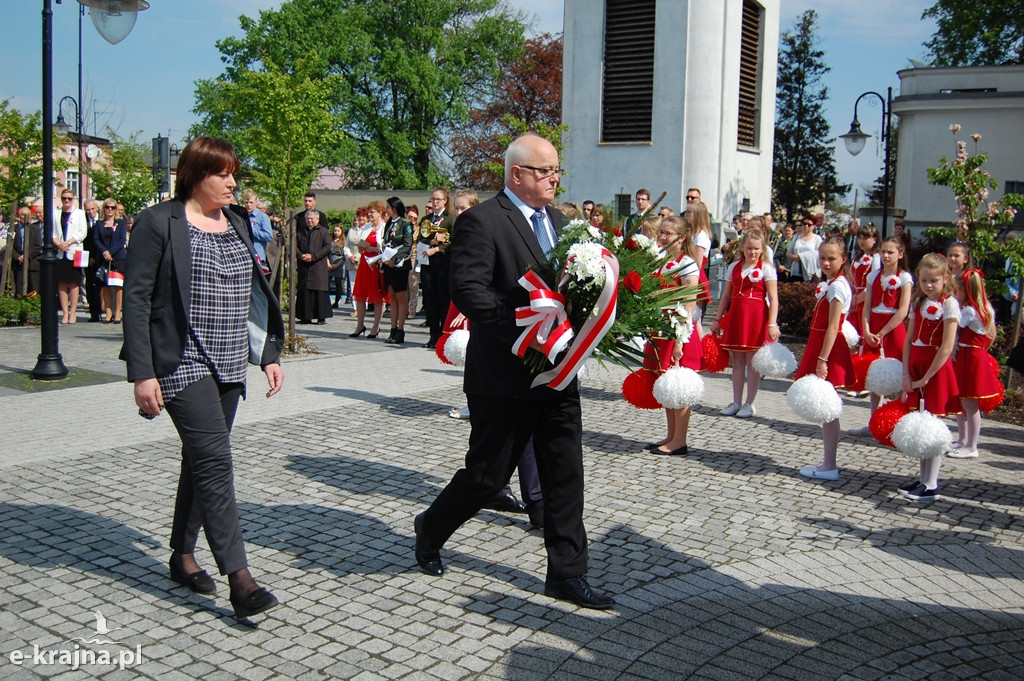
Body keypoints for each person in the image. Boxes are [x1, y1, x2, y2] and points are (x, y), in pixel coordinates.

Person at [414, 134, 614, 610]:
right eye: (545, 171)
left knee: (565, 472)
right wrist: (526, 334)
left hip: (558, 374)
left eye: (556, 171)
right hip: (504, 375)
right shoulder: (481, 221)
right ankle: (432, 526)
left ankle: (567, 573)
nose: (554, 179)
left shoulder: (564, 222)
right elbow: (469, 290)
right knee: (486, 477)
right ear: (517, 174)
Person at [122, 136, 285, 619]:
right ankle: (241, 580)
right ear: (196, 175)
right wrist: (142, 373)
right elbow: (136, 299)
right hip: (182, 362)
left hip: (232, 362)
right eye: (224, 174)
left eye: (235, 172)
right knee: (215, 462)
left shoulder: (235, 223)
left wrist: (268, 352)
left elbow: (256, 292)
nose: (233, 182)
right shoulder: (158, 223)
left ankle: (181, 555)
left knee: (199, 461)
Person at [898, 253, 961, 501]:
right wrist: (905, 372)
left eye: (934, 280)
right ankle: (923, 478)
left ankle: (932, 482)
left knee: (933, 426)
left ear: (945, 279)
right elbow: (909, 339)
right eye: (924, 280)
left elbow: (947, 346)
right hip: (916, 367)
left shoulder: (950, 304)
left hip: (935, 370)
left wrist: (927, 377)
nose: (928, 285)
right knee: (921, 423)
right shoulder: (918, 302)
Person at [795, 237, 856, 481]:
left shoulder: (838, 286)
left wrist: (822, 359)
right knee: (827, 410)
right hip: (821, 344)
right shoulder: (830, 283)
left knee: (830, 409)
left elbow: (833, 326)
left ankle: (829, 464)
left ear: (843, 259)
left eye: (832, 258)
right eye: (822, 258)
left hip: (828, 347)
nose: (826, 262)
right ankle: (827, 462)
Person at [643, 216, 703, 455]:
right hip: (660, 329)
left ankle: (680, 440)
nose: (663, 237)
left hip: (678, 332)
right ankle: (670, 434)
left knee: (680, 387)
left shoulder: (687, 264)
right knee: (666, 384)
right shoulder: (660, 260)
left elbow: (689, 305)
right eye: (661, 233)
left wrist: (680, 339)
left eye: (669, 234)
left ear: (682, 237)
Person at [710, 228, 781, 418]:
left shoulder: (767, 268)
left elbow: (773, 298)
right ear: (742, 248)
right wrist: (717, 319)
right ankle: (736, 401)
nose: (753, 252)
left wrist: (772, 323)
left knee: (753, 361)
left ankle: (750, 403)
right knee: (738, 360)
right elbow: (726, 295)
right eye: (749, 248)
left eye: (757, 249)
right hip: (737, 315)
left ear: (762, 249)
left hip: (756, 317)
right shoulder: (734, 267)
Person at [849, 236, 914, 436]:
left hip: (893, 329)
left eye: (890, 252)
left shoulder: (905, 278)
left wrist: (883, 332)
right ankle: (874, 421)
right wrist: (866, 331)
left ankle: (897, 421)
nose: (886, 256)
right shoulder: (873, 276)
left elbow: (903, 311)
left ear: (900, 255)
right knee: (874, 374)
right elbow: (867, 306)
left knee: (900, 373)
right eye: (883, 252)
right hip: (873, 326)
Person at [950, 269, 999, 460]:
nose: (955, 295)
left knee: (970, 405)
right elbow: (991, 335)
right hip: (970, 356)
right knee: (963, 401)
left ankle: (971, 445)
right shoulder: (986, 308)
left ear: (965, 291)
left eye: (957, 292)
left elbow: (954, 327)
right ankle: (963, 440)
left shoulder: (969, 311)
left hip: (970, 358)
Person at [419, 188, 454, 349]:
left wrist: (439, 248)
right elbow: (420, 238)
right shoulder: (426, 219)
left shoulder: (450, 218)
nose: (434, 202)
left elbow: (454, 241)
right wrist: (433, 242)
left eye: (438, 199)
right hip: (428, 263)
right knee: (430, 298)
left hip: (443, 263)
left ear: (445, 200)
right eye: (433, 199)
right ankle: (433, 334)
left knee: (443, 299)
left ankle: (443, 334)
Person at [349, 201, 387, 337]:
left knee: (377, 297)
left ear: (380, 213)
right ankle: (360, 325)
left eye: (372, 212)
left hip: (377, 264)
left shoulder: (384, 227)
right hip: (365, 263)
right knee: (360, 295)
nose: (369, 214)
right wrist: (362, 247)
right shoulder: (367, 227)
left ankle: (376, 327)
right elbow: (360, 241)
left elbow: (386, 247)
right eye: (369, 212)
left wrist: (373, 248)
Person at [380, 196, 414, 344]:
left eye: (388, 207)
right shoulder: (389, 223)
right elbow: (387, 241)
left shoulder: (405, 223)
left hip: (399, 264)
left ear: (394, 208)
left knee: (401, 296)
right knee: (391, 296)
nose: (386, 210)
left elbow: (407, 245)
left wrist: (394, 259)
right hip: (388, 263)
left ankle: (400, 329)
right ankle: (392, 329)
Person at [54, 189, 88, 324]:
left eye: (69, 198)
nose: (66, 201)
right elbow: (52, 232)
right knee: (62, 283)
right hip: (61, 252)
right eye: (64, 198)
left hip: (74, 251)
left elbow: (82, 233)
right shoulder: (56, 213)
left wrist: (68, 242)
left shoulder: (79, 213)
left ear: (73, 199)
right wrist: (59, 244)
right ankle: (65, 312)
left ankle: (73, 311)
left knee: (74, 282)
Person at [294, 210, 333, 324]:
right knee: (304, 292)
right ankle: (305, 317)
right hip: (304, 266)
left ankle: (321, 317)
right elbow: (294, 246)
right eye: (307, 219)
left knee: (319, 291)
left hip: (318, 266)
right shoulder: (300, 231)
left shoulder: (323, 231)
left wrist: (314, 257)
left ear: (317, 219)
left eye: (312, 219)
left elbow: (327, 247)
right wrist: (301, 256)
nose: (309, 221)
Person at [94, 199, 128, 323]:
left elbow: (122, 240)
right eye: (107, 207)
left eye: (113, 207)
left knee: (118, 286)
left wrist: (111, 252)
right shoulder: (99, 223)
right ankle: (108, 311)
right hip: (103, 257)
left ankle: (117, 312)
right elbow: (96, 239)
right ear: (104, 208)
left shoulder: (121, 223)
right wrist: (104, 251)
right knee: (105, 285)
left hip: (117, 257)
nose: (110, 209)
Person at [11, 207, 43, 296]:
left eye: (27, 215)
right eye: (23, 215)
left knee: (34, 290)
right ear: (18, 216)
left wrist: (26, 256)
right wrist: (18, 257)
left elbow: (38, 245)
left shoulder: (35, 228)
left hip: (32, 263)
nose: (25, 217)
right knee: (19, 291)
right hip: (18, 264)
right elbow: (10, 246)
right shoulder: (13, 229)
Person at [81, 199, 104, 321]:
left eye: (92, 209)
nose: (90, 212)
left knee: (101, 284)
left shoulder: (102, 220)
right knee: (90, 284)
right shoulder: (83, 221)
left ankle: (104, 310)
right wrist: (89, 257)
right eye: (88, 210)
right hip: (87, 256)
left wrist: (97, 256)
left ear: (97, 209)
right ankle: (94, 313)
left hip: (101, 256)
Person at [241, 189, 274, 274]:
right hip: (244, 257)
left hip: (257, 257)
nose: (248, 205)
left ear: (256, 202)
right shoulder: (241, 217)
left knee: (256, 286)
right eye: (246, 202)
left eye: (251, 202)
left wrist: (252, 230)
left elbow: (269, 236)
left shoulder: (262, 217)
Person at [786, 214, 822, 281]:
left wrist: (803, 257)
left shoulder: (817, 239)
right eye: (804, 224)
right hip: (796, 271)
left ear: (813, 226)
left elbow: (819, 254)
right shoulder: (797, 237)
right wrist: (796, 257)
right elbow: (788, 252)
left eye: (809, 225)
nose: (806, 226)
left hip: (810, 272)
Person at [327, 224, 348, 309]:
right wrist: (328, 263)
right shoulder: (330, 240)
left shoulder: (344, 242)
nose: (336, 232)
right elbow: (326, 252)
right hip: (330, 261)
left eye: (338, 231)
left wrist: (337, 265)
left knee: (338, 283)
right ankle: (327, 301)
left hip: (339, 262)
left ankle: (336, 301)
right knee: (327, 282)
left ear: (341, 231)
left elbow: (344, 256)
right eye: (335, 231)